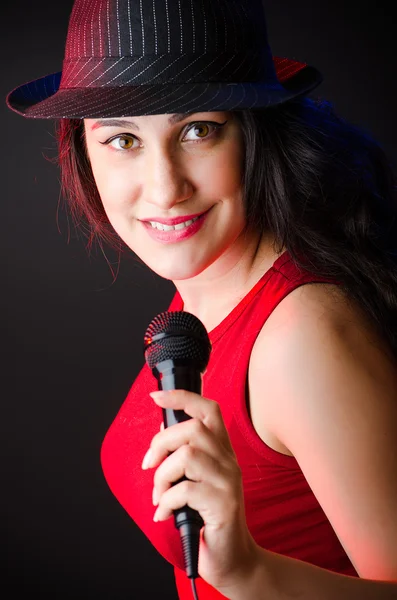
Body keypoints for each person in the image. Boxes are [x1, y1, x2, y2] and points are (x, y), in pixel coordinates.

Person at [6, 1, 397, 599]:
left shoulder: (301, 338)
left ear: (254, 134)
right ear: (83, 152)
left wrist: (250, 573)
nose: (166, 188)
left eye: (198, 130)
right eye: (123, 139)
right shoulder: (200, 303)